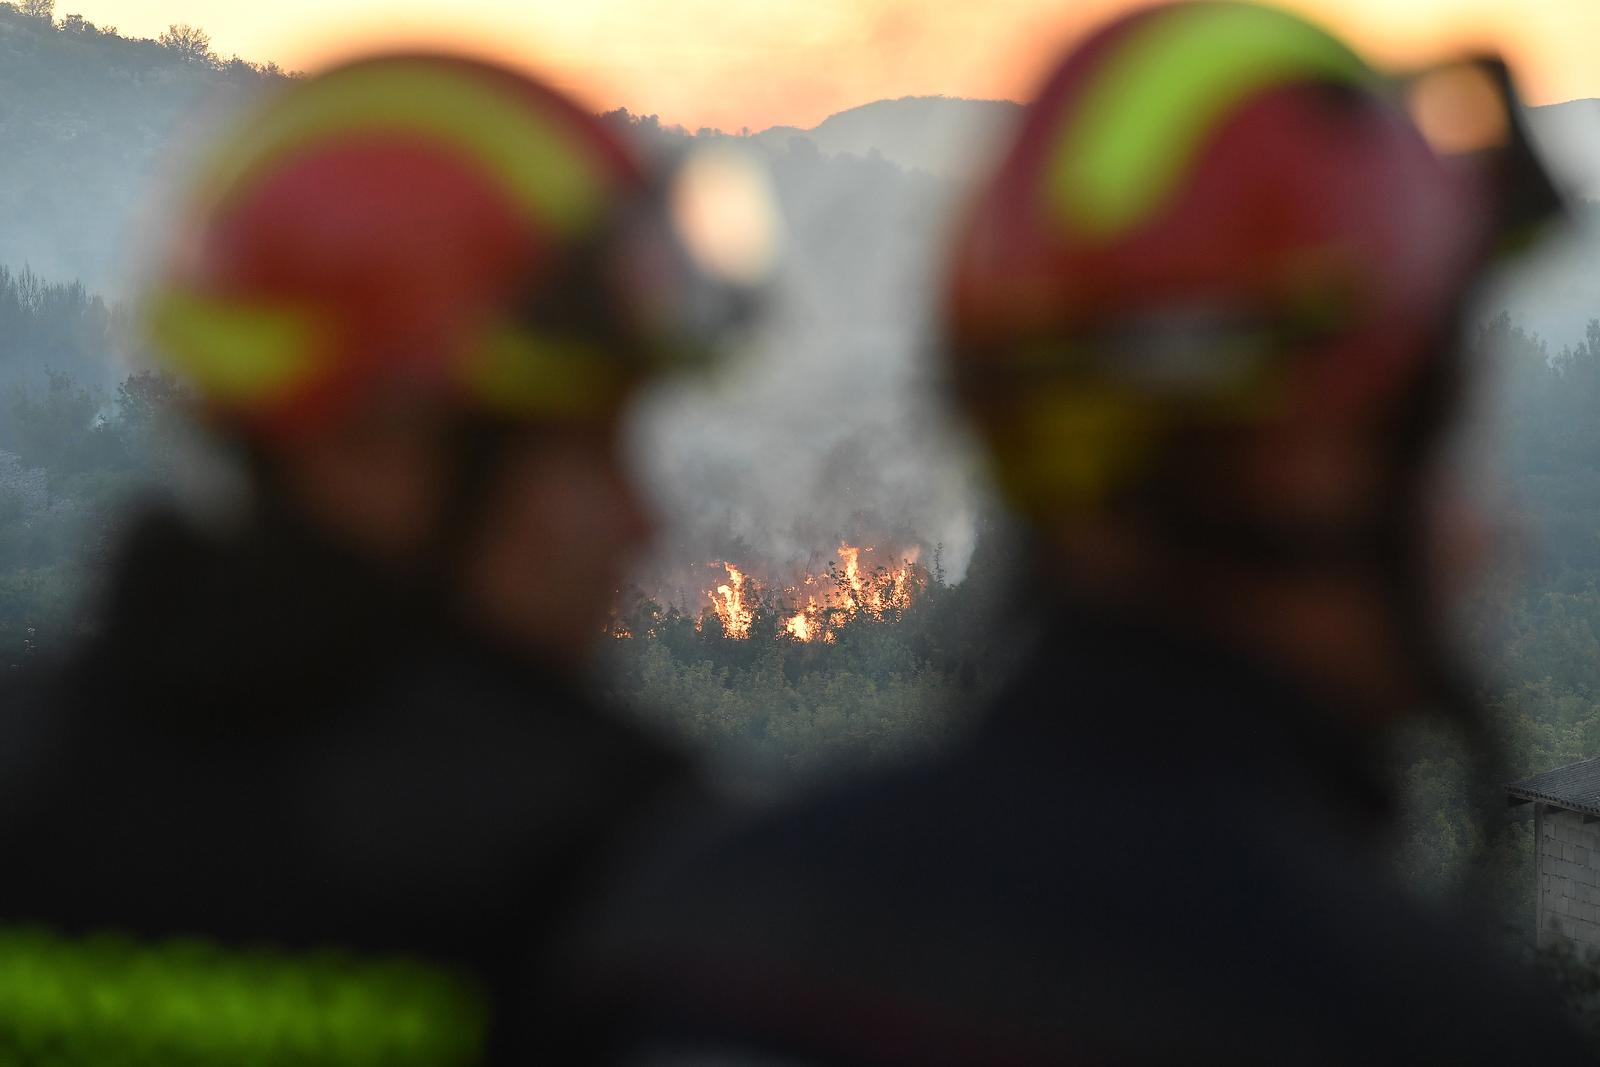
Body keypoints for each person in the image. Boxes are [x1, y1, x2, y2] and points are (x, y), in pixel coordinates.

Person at [579, 3, 1594, 1062]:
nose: (1490, 534)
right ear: (1307, 460)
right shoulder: (1413, 1022)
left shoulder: (699, 926)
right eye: (1441, 446)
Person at [0, 52, 759, 1064]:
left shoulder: (32, 786)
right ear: (374, 445)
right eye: (585, 447)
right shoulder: (619, 878)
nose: (639, 519)